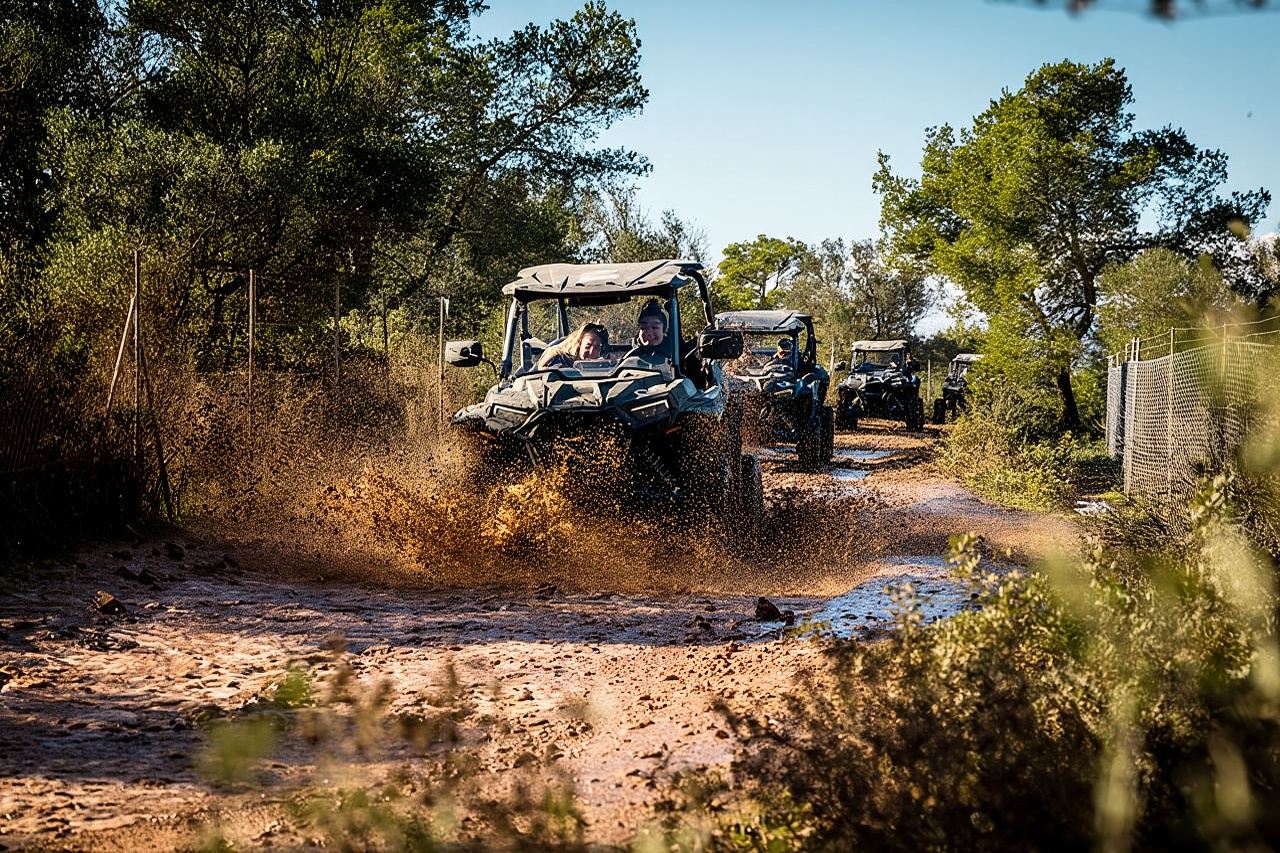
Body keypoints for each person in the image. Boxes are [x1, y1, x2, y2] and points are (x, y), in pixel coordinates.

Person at [537, 323, 609, 369]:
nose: (591, 352)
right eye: (587, 346)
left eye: (596, 348)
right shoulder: (557, 358)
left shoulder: (600, 363)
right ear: (579, 344)